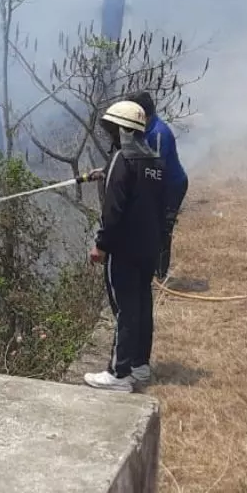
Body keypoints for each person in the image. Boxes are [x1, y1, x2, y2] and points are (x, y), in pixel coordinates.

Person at [83, 100, 166, 392]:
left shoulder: (122, 158)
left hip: (124, 250)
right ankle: (140, 366)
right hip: (148, 247)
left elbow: (114, 207)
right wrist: (106, 172)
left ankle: (119, 374)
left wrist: (101, 243)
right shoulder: (154, 158)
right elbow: (144, 196)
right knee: (142, 306)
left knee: (124, 310)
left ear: (120, 129)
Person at [127, 91, 188, 281]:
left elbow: (156, 170)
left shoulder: (158, 133)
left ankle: (160, 277)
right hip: (158, 184)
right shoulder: (144, 130)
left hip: (171, 187)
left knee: (162, 228)